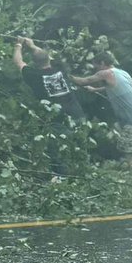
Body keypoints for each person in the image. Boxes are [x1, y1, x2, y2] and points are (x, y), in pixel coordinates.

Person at [13, 37, 84, 178]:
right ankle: (79, 174)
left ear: (34, 62)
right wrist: (32, 45)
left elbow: (18, 62)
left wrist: (19, 44)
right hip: (76, 113)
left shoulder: (34, 75)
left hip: (57, 119)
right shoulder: (60, 69)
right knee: (78, 147)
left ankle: (63, 178)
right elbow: (43, 56)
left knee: (57, 151)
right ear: (49, 59)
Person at [71, 52, 132, 167]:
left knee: (128, 155)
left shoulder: (106, 73)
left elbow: (82, 81)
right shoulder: (123, 73)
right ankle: (128, 171)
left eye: (96, 66)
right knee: (121, 143)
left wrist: (64, 73)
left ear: (102, 63)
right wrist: (94, 90)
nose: (95, 69)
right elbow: (112, 87)